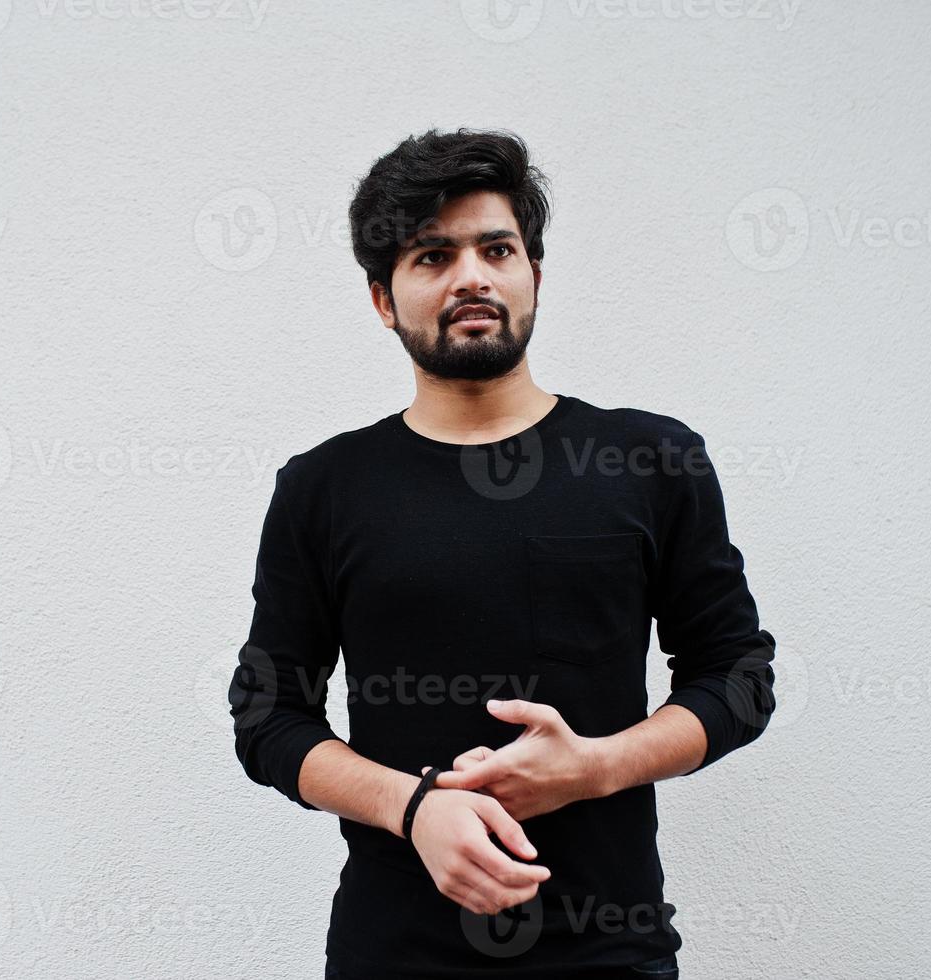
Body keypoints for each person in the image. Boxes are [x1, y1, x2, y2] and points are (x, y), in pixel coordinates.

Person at [229, 127, 777, 979]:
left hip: (609, 951)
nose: (471, 276)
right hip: (394, 954)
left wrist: (595, 767)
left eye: (496, 248)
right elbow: (267, 717)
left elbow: (738, 677)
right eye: (431, 256)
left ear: (534, 276)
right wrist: (411, 810)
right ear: (382, 298)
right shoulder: (323, 487)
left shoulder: (649, 460)